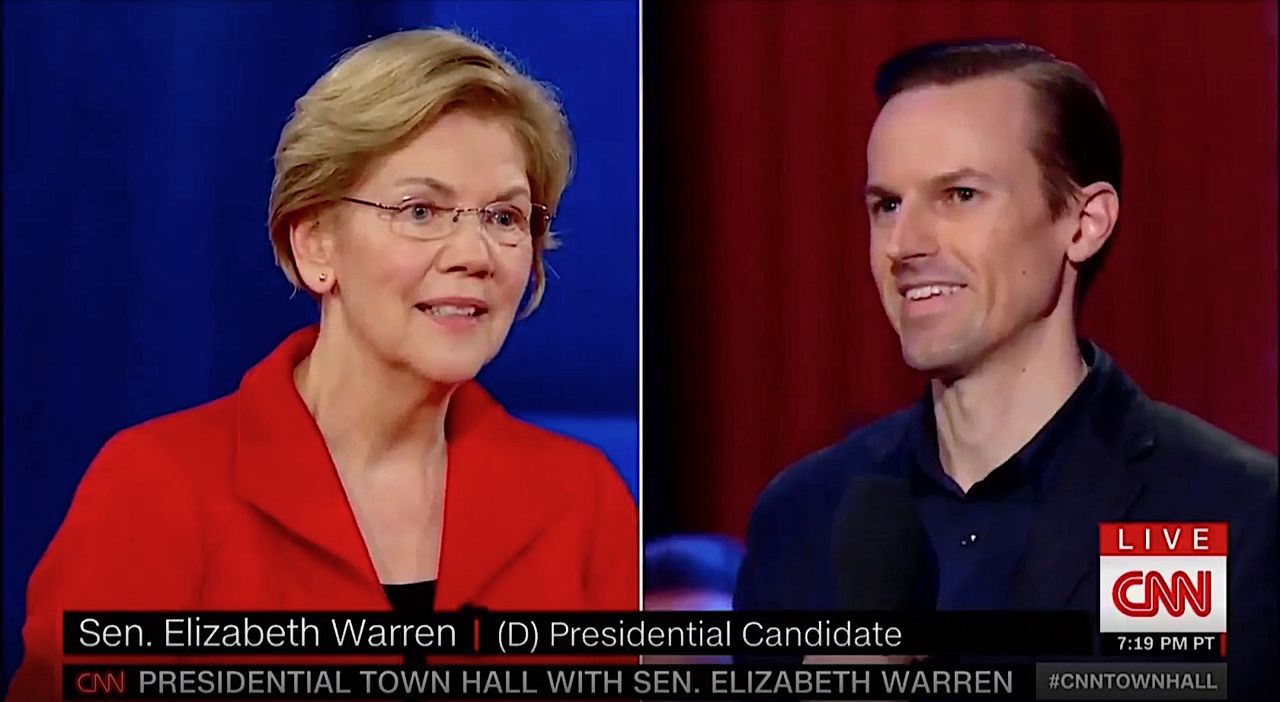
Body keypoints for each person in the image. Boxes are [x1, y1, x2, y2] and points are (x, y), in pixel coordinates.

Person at [7, 28, 637, 701]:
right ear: (316, 246)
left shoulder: (582, 502)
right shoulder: (156, 489)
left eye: (505, 217)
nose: (476, 252)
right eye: (421, 210)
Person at [733, 40, 1276, 696]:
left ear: (1083, 224)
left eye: (959, 195)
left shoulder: (1221, 511)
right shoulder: (803, 516)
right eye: (887, 205)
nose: (905, 245)